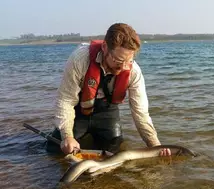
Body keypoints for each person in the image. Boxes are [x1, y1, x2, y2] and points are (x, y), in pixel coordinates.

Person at [46, 23, 171, 156]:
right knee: (55, 150)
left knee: (114, 150)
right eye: (118, 60)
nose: (123, 67)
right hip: (78, 111)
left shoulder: (134, 72)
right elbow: (66, 100)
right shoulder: (80, 59)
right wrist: (67, 136)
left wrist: (155, 145)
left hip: (106, 111)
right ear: (105, 47)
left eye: (128, 61)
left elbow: (141, 114)